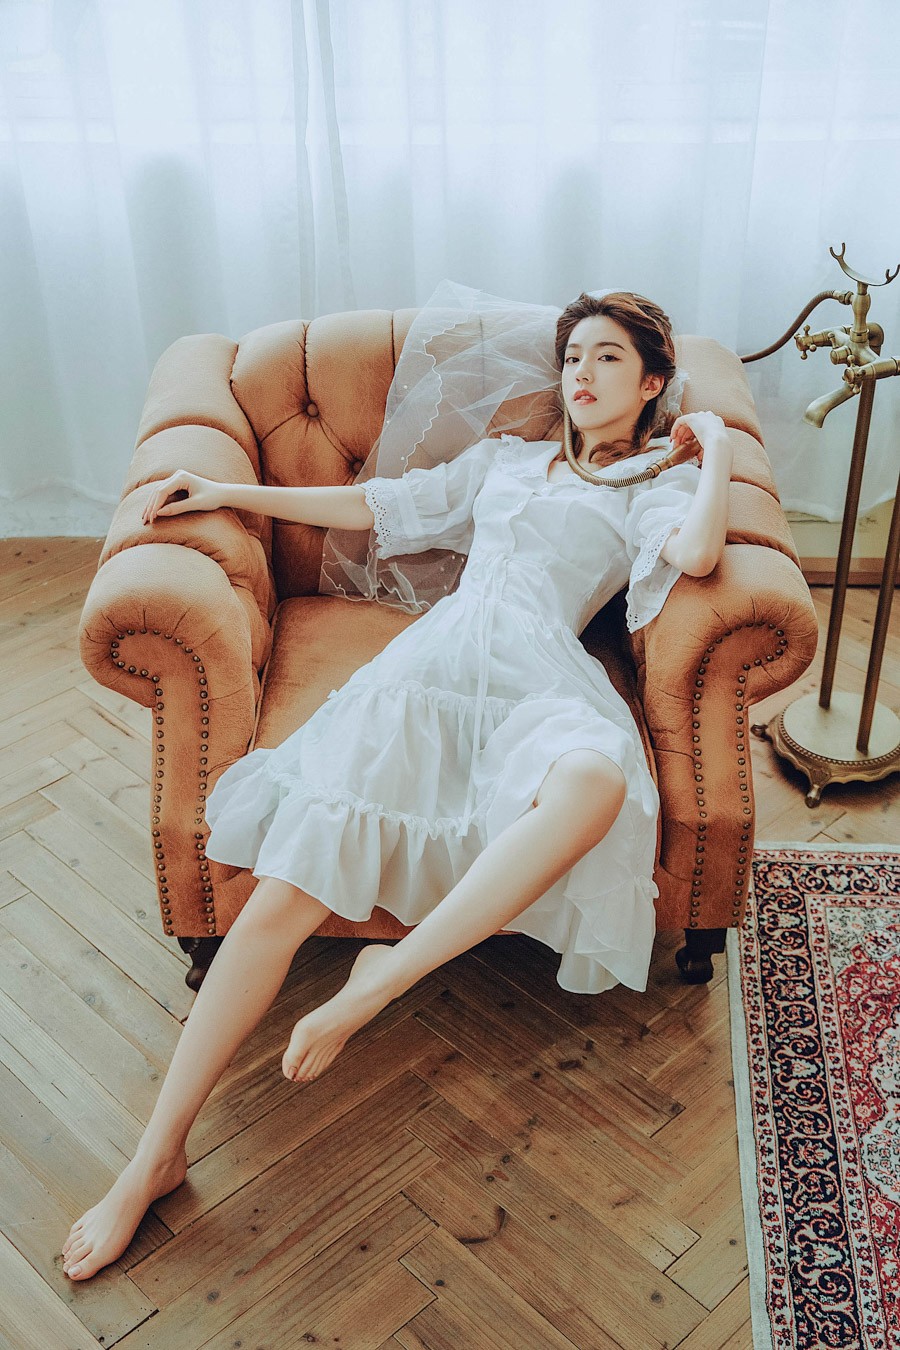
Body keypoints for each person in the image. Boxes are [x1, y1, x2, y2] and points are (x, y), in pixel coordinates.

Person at [61, 290, 732, 1280]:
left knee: (595, 783)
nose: (581, 375)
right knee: (285, 892)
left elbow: (700, 553)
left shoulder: (651, 487)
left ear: (652, 383)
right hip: (432, 674)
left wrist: (713, 453)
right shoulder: (506, 462)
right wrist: (229, 492)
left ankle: (387, 975)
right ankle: (153, 1156)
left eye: (607, 359)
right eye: (572, 358)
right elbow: (375, 506)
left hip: (543, 683)